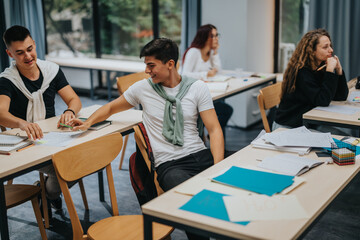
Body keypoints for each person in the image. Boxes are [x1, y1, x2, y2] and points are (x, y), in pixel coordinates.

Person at [68, 38, 224, 240]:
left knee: (238, 185)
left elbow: (214, 129)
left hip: (200, 154)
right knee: (191, 202)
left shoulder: (197, 88)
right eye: (146, 65)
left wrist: (218, 168)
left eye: (151, 65)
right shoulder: (143, 88)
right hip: (170, 164)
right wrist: (88, 122)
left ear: (170, 64)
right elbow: (111, 107)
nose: (147, 71)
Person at [0, 25, 82, 211]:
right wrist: (22, 123)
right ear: (10, 54)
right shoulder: (7, 80)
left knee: (85, 157)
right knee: (70, 167)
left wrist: (70, 111)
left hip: (53, 136)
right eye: (19, 53)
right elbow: (1, 113)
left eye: (30, 49)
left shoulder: (51, 70)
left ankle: (45, 194)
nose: (28, 57)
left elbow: (73, 99)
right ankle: (49, 195)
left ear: (34, 44)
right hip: (26, 143)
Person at [273, 28, 349, 131]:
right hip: (289, 127)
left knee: (344, 138)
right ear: (312, 51)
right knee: (338, 142)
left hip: (306, 124)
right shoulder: (302, 73)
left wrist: (339, 71)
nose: (331, 50)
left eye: (330, 46)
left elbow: (341, 96)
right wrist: (330, 71)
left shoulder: (319, 68)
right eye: (325, 47)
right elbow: (323, 100)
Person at [181, 24, 233, 131]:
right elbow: (184, 75)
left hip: (205, 92)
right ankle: (209, 134)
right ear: (204, 37)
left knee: (226, 110)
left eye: (216, 35)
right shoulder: (193, 52)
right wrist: (206, 74)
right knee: (225, 110)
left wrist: (215, 52)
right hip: (191, 95)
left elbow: (218, 70)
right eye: (212, 36)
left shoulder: (209, 53)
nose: (216, 38)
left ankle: (212, 136)